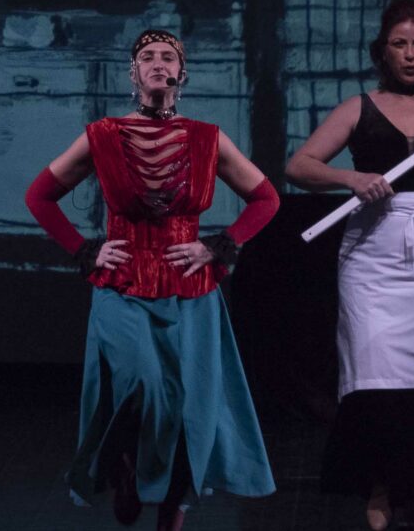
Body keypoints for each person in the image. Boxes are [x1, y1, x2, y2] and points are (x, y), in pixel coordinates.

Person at [24, 29, 281, 531]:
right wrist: (85, 250)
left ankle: (172, 508)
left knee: (191, 406)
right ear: (134, 71)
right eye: (148, 56)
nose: (158, 63)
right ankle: (125, 468)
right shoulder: (103, 135)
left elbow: (266, 198)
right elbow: (39, 196)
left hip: (191, 289)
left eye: (168, 57)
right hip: (124, 284)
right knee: (143, 381)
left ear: (181, 73)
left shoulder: (206, 138)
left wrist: (217, 245)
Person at [284, 0, 414, 531]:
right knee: (375, 374)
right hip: (374, 253)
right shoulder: (358, 107)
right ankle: (380, 483)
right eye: (399, 44)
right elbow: (298, 166)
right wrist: (350, 178)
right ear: (382, 50)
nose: (408, 54)